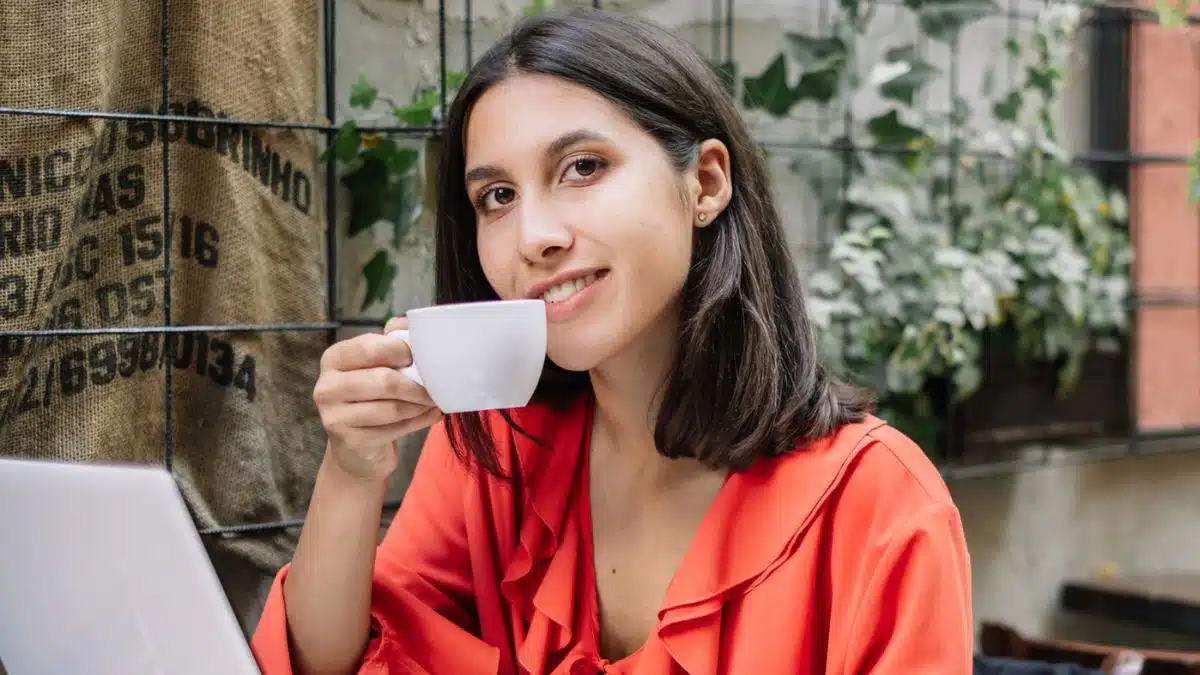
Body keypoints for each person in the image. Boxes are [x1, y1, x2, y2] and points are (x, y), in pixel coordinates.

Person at [251, 8, 973, 674]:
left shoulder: (880, 505)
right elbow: (327, 663)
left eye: (583, 167)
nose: (534, 237)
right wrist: (351, 469)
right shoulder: (494, 453)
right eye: (496, 197)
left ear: (707, 183)